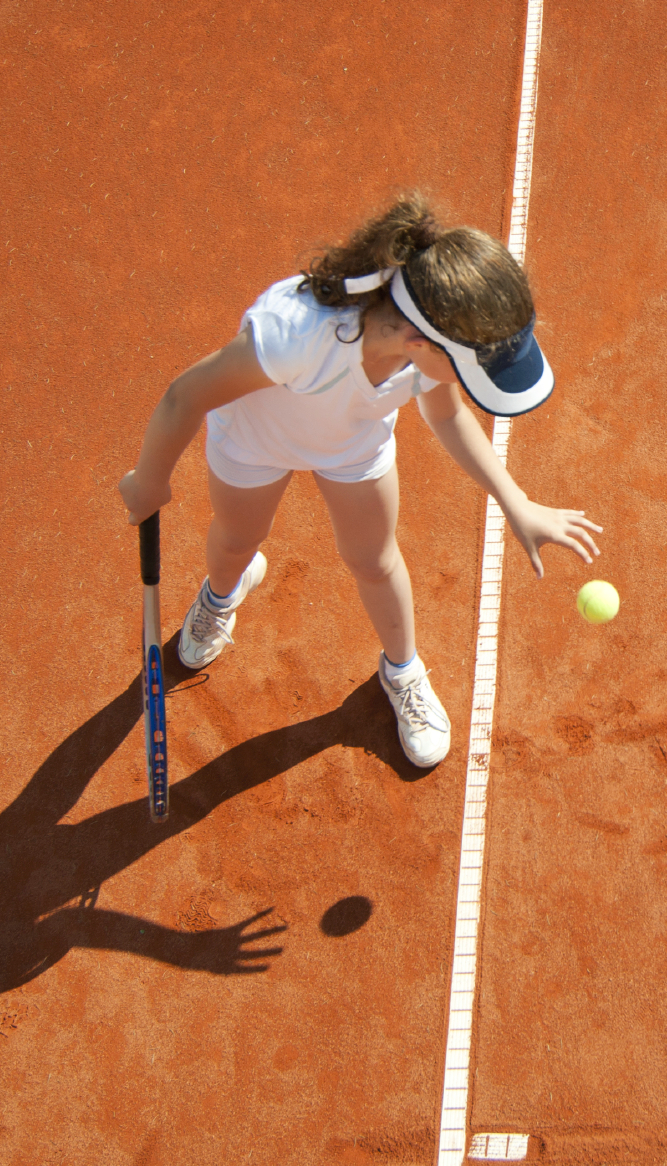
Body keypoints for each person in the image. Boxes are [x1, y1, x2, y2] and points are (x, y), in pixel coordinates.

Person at [118, 193, 602, 769]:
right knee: (235, 541)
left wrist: (515, 499)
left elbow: (446, 414)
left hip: (352, 445)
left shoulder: (422, 346)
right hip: (254, 443)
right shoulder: (296, 335)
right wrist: (151, 478)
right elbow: (187, 394)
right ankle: (223, 594)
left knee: (374, 560)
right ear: (422, 343)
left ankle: (402, 671)